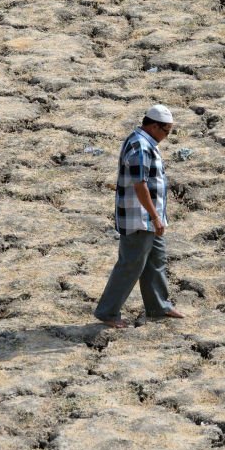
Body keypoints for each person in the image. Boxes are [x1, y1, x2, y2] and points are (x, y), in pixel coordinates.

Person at [93, 104, 186, 329]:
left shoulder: (145, 142)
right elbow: (140, 185)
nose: (167, 136)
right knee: (131, 264)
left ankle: (158, 306)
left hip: (150, 218)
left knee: (156, 260)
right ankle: (108, 312)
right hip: (140, 219)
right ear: (154, 125)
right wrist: (154, 216)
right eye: (166, 131)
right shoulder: (140, 146)